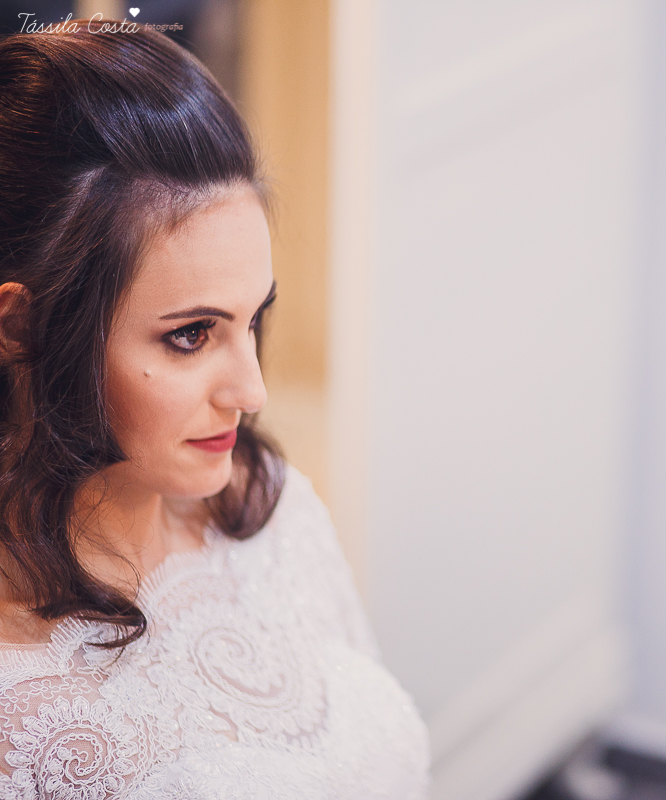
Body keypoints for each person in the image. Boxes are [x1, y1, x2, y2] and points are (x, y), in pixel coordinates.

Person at [0, 25, 428, 799]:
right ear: (21, 328)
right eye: (191, 336)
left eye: (251, 319)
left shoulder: (267, 507)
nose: (252, 392)